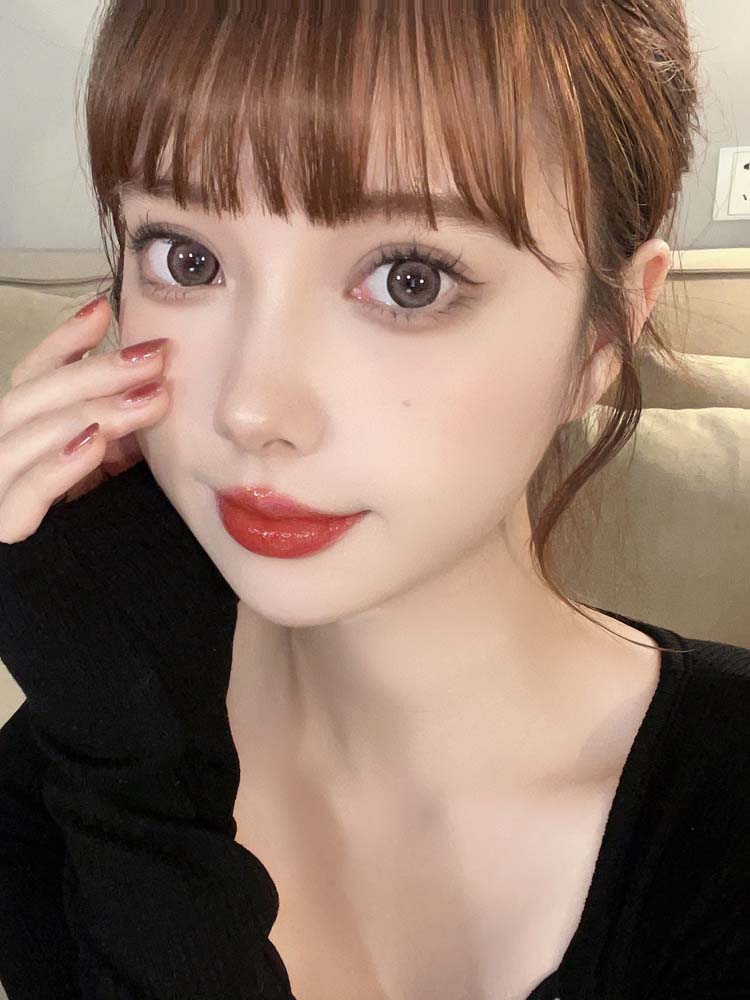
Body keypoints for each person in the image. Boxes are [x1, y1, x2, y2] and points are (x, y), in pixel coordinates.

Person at [0, 2, 748, 999]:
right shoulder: (79, 758)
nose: (251, 408)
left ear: (603, 336)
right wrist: (131, 785)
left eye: (409, 280)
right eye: (186, 258)